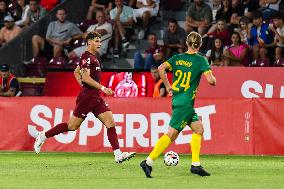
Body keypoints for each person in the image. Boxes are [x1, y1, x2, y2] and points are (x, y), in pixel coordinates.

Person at [34, 31, 135, 163]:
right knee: (72, 126)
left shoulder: (93, 57)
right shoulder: (86, 57)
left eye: (100, 41)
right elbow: (86, 77)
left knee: (110, 123)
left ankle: (118, 155)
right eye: (96, 41)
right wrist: (101, 88)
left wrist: (83, 84)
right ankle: (43, 136)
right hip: (88, 97)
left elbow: (77, 72)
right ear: (89, 42)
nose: (99, 43)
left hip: (96, 97)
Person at [140, 31, 216, 178]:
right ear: (199, 45)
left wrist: (168, 86)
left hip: (179, 100)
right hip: (185, 103)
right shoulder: (201, 60)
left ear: (186, 43)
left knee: (198, 129)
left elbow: (161, 68)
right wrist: (211, 73)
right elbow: (212, 81)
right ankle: (148, 161)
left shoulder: (177, 58)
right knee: (172, 134)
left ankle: (195, 165)